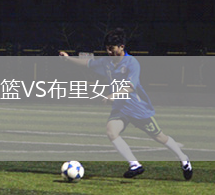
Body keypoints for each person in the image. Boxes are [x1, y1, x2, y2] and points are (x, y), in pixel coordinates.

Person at [59, 28, 193, 180]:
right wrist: (68, 59)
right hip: (120, 109)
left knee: (160, 137)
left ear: (121, 47)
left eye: (112, 49)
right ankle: (134, 165)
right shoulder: (106, 62)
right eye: (107, 49)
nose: (109, 52)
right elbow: (88, 63)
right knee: (111, 132)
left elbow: (130, 87)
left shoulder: (132, 63)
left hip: (137, 108)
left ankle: (184, 159)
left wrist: (113, 95)